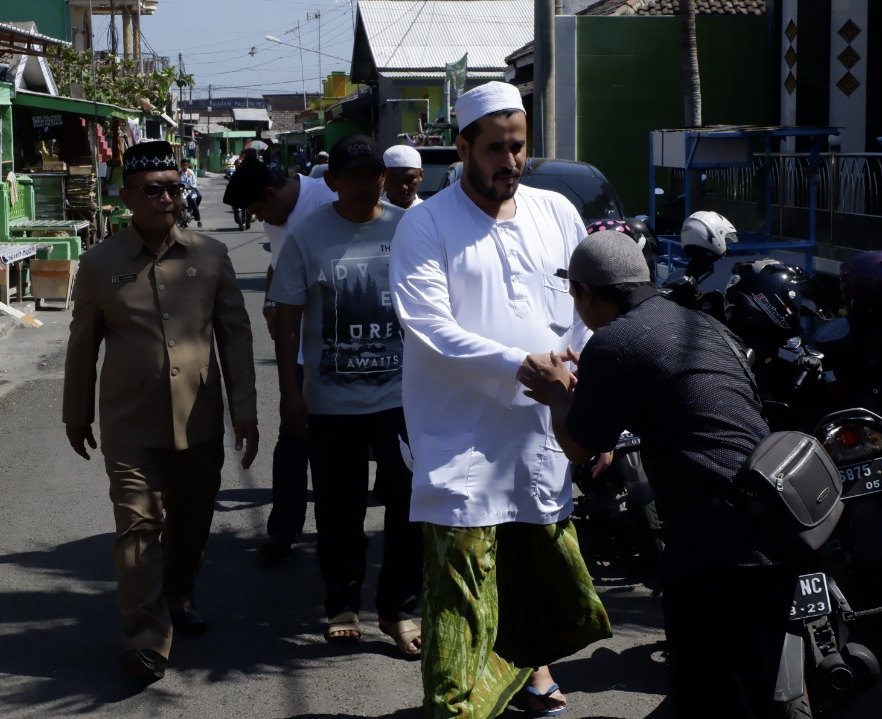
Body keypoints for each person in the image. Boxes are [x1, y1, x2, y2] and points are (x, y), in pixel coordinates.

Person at [389, 81, 611, 719]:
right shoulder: (427, 223)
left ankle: (530, 672)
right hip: (463, 440)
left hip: (542, 433)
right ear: (462, 147)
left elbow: (584, 315)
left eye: (517, 148)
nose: (508, 162)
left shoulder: (557, 212)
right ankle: (456, 705)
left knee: (533, 564)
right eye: (493, 149)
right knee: (461, 581)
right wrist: (520, 364)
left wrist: (586, 408)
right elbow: (429, 325)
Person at [517, 230, 793, 718]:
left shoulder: (614, 343)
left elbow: (582, 448)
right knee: (747, 689)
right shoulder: (703, 325)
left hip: (716, 549)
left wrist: (557, 393)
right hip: (776, 526)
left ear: (583, 293)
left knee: (715, 699)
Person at [62, 140, 260, 683]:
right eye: (154, 190)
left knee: (193, 523)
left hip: (199, 419)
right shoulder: (100, 263)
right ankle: (145, 637)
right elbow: (83, 344)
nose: (167, 198)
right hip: (130, 421)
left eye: (175, 187)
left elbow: (235, 340)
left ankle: (179, 591)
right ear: (127, 195)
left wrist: (246, 412)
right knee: (137, 526)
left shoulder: (209, 255)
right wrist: (75, 412)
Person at [268, 133, 423, 656]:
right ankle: (343, 602)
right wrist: (291, 394)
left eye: (373, 173)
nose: (366, 183)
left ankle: (399, 608)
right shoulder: (308, 235)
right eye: (353, 175)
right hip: (331, 403)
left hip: (403, 401)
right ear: (330, 181)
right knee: (339, 509)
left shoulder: (408, 230)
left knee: (408, 504)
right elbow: (286, 317)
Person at [224, 158, 337, 562]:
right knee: (292, 441)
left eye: (258, 211)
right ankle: (284, 530)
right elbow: (277, 263)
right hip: (302, 349)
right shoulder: (277, 219)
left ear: (271, 194)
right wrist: (271, 305)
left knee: (339, 450)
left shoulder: (328, 197)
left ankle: (338, 533)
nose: (260, 220)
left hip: (346, 351)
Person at [382, 145, 424, 209]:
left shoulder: (431, 212)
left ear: (420, 175)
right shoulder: (369, 213)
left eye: (409, 179)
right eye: (395, 179)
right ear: (383, 176)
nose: (403, 187)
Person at [179, 159, 202, 228]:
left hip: (191, 191)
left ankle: (198, 220)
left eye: (186, 165)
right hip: (182, 191)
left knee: (195, 201)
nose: (185, 167)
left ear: (188, 165)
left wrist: (193, 186)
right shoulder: (179, 174)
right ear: (181, 165)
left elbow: (194, 180)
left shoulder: (191, 172)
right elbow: (177, 182)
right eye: (183, 165)